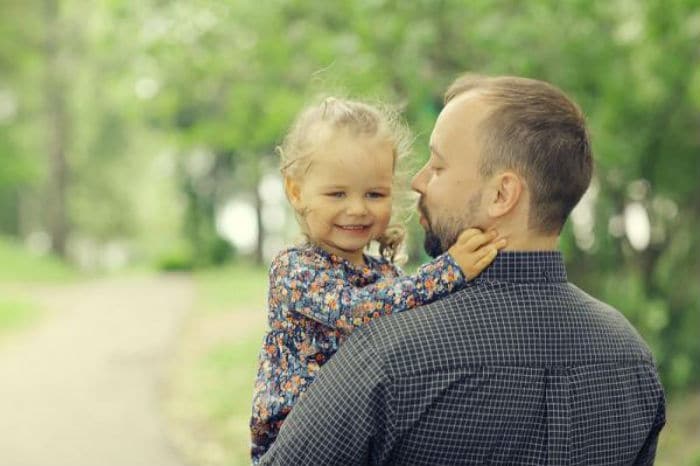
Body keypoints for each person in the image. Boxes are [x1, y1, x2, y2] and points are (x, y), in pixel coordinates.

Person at [258, 75, 666, 466]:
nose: (416, 182)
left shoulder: (383, 357)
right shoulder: (633, 361)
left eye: (436, 166)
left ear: (502, 194)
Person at [249, 97, 507, 463]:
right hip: (299, 444)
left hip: (361, 435)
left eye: (375, 194)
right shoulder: (295, 270)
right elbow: (356, 312)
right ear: (296, 191)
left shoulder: (386, 275)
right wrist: (450, 271)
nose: (357, 208)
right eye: (337, 193)